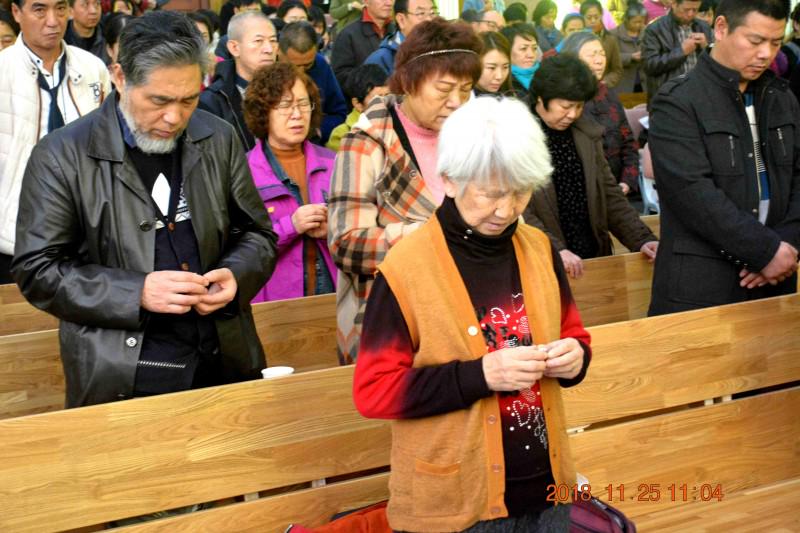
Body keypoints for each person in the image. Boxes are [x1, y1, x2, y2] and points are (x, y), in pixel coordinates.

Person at [11, 11, 278, 407]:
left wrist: (237, 275)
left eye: (189, 99)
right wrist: (135, 291)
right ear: (119, 77)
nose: (174, 117)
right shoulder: (62, 155)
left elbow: (257, 234)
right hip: (124, 372)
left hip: (225, 359)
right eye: (158, 100)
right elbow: (37, 269)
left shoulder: (217, 137)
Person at [353, 96, 590, 532]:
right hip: (456, 506)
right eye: (491, 194)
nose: (506, 210)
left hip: (548, 489)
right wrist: (480, 375)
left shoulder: (538, 247)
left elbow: (574, 334)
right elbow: (374, 392)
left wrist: (575, 357)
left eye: (520, 192)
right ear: (450, 179)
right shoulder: (406, 268)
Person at [328, 19, 482, 364]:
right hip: (393, 319)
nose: (457, 102)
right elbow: (346, 243)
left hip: (467, 313)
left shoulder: (472, 134)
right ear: (409, 82)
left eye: (466, 89)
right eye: (443, 90)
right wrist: (430, 237)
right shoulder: (367, 141)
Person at [648, 0, 800, 315]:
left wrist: (786, 247)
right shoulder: (677, 101)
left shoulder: (782, 97)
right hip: (703, 285)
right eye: (755, 41)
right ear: (721, 28)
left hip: (776, 280)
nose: (765, 54)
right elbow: (693, 193)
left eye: (775, 43)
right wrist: (765, 251)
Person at [0, 0, 109, 284]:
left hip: (88, 228)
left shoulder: (93, 68)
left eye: (60, 9)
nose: (52, 20)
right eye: (39, 10)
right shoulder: (3, 71)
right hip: (14, 231)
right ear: (16, 12)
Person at [523, 55, 658, 278]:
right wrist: (554, 249)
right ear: (540, 98)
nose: (573, 114)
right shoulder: (517, 138)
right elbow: (520, 212)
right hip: (545, 264)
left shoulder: (586, 134)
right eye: (565, 106)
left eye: (578, 106)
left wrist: (642, 238)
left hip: (591, 255)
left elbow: (609, 194)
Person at [243, 63, 336, 302]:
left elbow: (356, 227)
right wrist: (291, 225)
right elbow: (241, 248)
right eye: (285, 105)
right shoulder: (244, 171)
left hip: (334, 292)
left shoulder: (334, 162)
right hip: (275, 301)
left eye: (304, 104)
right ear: (263, 112)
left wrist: (333, 230)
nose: (297, 114)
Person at [563, 31, 640, 196]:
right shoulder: (564, 99)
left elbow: (628, 141)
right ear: (573, 59)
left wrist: (626, 181)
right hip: (581, 191)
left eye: (602, 54)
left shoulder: (609, 94)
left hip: (617, 188)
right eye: (591, 55)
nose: (599, 61)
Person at [199, 12, 277, 151]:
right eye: (258, 41)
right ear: (234, 48)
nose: (269, 49)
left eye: (273, 40)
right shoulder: (213, 101)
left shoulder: (289, 88)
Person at [277, 22, 347, 144]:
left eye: (308, 65)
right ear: (279, 51)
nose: (301, 72)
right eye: (295, 66)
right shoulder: (264, 70)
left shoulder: (321, 65)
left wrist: (317, 130)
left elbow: (339, 113)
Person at [641, 0, 713, 104]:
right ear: (674, 4)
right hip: (668, 98)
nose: (691, 14)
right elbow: (649, 65)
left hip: (701, 95)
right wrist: (681, 52)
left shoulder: (704, 27)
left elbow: (718, 63)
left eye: (695, 10)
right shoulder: (655, 29)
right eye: (686, 10)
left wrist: (706, 48)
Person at [330, 0, 393, 88]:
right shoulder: (348, 35)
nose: (389, 3)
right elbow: (340, 76)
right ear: (366, 1)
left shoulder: (398, 31)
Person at [363, 0, 436, 76]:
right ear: (401, 20)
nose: (429, 20)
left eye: (432, 13)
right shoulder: (380, 60)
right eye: (421, 13)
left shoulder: (442, 51)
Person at [326, 62, 388, 151]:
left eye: (387, 95)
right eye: (377, 99)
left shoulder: (396, 122)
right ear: (358, 104)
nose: (384, 102)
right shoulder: (342, 135)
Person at [580, 0, 623, 88]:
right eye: (589, 17)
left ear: (601, 15)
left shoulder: (610, 39)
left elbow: (617, 70)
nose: (593, 21)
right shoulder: (577, 39)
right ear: (582, 17)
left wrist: (605, 82)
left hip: (604, 89)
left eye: (596, 17)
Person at [611, 1, 647, 92]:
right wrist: (630, 57)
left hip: (644, 83)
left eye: (641, 22)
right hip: (623, 83)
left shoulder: (648, 32)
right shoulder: (614, 34)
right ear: (626, 20)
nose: (638, 25)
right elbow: (610, 57)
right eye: (635, 22)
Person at [501, 23, 539, 99]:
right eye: (523, 49)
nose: (531, 55)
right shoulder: (501, 80)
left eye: (534, 48)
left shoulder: (546, 75)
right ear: (507, 50)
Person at [474, 30, 512, 96]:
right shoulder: (461, 102)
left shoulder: (512, 98)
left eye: (505, 67)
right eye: (492, 68)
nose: (499, 76)